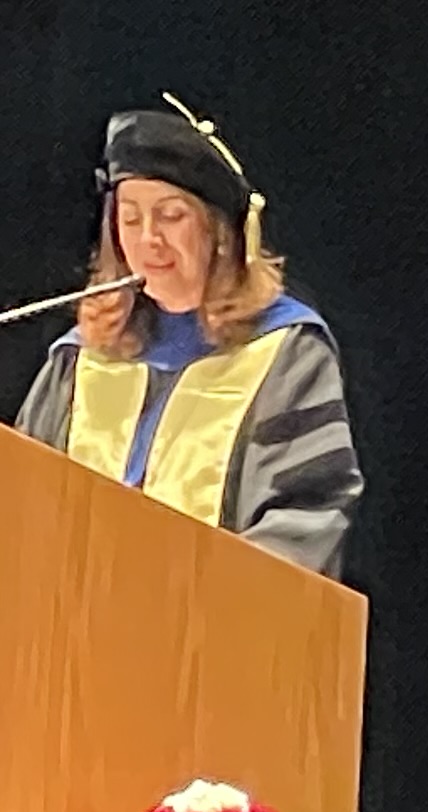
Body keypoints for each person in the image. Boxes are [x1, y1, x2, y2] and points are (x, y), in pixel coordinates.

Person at [16, 102, 359, 576]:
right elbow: (19, 512)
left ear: (218, 231)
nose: (149, 239)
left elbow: (303, 518)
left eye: (171, 215)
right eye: (131, 219)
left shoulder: (284, 353)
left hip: (216, 636)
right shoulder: (82, 358)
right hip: (70, 637)